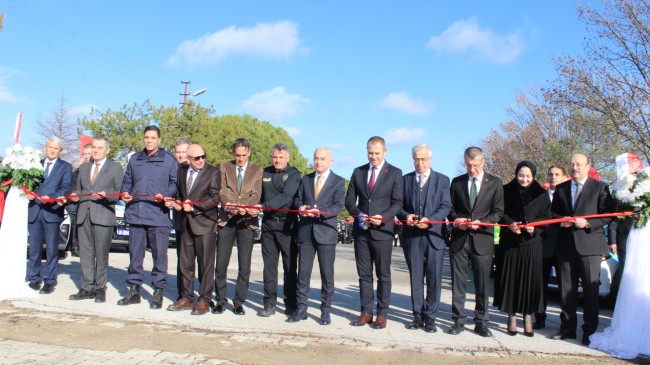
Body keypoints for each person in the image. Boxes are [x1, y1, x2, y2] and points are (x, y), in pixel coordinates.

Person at [551, 153, 612, 345]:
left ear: (588, 167)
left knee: (590, 291)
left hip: (590, 245)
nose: (574, 167)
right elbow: (553, 213)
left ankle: (589, 331)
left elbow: (608, 215)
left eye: (579, 164)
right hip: (565, 246)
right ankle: (567, 328)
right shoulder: (560, 188)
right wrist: (562, 223)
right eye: (571, 164)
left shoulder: (600, 187)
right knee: (566, 290)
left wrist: (587, 223)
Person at [345, 136, 403, 329]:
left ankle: (382, 313)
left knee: (383, 274)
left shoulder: (395, 173)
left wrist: (383, 217)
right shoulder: (358, 171)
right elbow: (350, 200)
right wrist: (359, 214)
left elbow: (397, 202)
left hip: (383, 232)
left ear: (385, 151)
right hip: (362, 231)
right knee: (364, 274)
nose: (373, 156)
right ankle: (366, 312)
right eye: (370, 153)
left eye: (377, 153)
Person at [118, 125, 178, 309]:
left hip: (157, 216)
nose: (149, 140)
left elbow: (175, 184)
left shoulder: (169, 160)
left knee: (159, 256)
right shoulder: (135, 159)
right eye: (146, 137)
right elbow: (127, 180)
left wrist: (165, 194)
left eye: (153, 137)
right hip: (136, 214)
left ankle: (158, 291)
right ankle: (134, 289)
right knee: (135, 255)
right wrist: (124, 193)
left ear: (159, 140)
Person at [447, 146, 503, 337]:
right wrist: (456, 220)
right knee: (458, 283)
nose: (472, 169)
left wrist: (483, 222)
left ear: (483, 162)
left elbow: (498, 211)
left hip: (482, 240)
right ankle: (458, 320)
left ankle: (481, 321)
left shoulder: (495, 183)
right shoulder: (457, 182)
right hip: (460, 240)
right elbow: (449, 208)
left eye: (475, 165)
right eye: (468, 165)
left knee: (482, 284)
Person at [397, 144, 452, 333]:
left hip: (434, 236)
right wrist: (406, 216)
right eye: (416, 159)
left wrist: (431, 220)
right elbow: (398, 206)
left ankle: (431, 317)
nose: (419, 163)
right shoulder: (405, 180)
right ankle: (417, 316)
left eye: (423, 159)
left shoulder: (443, 180)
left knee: (434, 279)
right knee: (416, 278)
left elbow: (446, 206)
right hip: (412, 237)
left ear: (430, 159)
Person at [289, 147, 345, 325]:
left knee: (327, 275)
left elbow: (338, 206)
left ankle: (325, 311)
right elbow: (297, 199)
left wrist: (319, 212)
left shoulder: (338, 181)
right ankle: (301, 309)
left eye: (322, 159)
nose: (318, 162)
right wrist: (301, 208)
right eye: (316, 158)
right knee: (303, 274)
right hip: (306, 232)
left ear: (330, 161)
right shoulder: (306, 179)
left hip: (326, 233)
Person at [65, 137, 123, 303]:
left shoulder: (115, 168)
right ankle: (86, 287)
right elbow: (78, 189)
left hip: (103, 215)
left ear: (107, 150)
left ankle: (100, 288)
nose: (96, 150)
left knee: (101, 254)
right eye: (94, 147)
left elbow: (119, 191)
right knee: (85, 253)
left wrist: (107, 196)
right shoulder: (84, 168)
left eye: (99, 148)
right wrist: (74, 197)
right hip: (84, 215)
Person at [496, 161, 550, 336]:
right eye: (521, 175)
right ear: (516, 174)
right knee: (511, 279)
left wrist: (535, 228)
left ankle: (528, 316)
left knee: (529, 281)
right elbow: (499, 212)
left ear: (533, 176)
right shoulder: (506, 190)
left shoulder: (541, 194)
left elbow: (546, 218)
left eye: (528, 176)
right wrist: (509, 224)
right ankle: (511, 316)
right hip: (510, 243)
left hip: (531, 245)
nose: (524, 179)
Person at [166, 144, 220, 315]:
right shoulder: (181, 170)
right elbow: (179, 194)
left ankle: (204, 300)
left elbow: (215, 198)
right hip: (184, 224)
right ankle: (187, 297)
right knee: (185, 264)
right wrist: (175, 202)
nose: (201, 160)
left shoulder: (213, 172)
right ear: (188, 158)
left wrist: (195, 208)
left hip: (204, 224)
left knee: (205, 265)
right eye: (196, 158)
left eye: (203, 156)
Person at [214, 138, 263, 315]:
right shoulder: (225, 167)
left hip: (246, 222)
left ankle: (239, 301)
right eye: (237, 155)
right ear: (233, 154)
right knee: (221, 264)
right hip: (227, 219)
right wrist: (229, 205)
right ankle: (220, 300)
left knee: (244, 265)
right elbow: (222, 190)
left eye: (244, 155)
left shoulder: (257, 170)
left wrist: (245, 207)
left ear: (249, 153)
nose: (240, 158)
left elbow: (257, 193)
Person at [256, 144, 301, 317]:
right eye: (275, 157)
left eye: (281, 157)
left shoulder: (294, 174)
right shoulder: (265, 172)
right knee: (269, 267)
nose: (277, 160)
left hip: (287, 227)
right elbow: (257, 193)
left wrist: (264, 206)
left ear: (288, 158)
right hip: (268, 225)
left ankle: (290, 303)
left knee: (289, 267)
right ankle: (269, 303)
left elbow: (286, 197)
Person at [26, 137, 73, 294]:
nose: (52, 150)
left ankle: (49, 281)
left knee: (52, 249)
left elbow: (65, 187)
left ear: (60, 150)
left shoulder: (65, 167)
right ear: (45, 147)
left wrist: (52, 196)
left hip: (52, 212)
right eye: (50, 147)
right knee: (34, 249)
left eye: (56, 148)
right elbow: (28, 185)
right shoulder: (35, 165)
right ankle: (34, 278)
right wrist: (28, 194)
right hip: (34, 211)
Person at [534, 164, 566, 329]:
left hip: (564, 246)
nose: (553, 177)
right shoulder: (541, 196)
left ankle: (565, 322)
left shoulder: (568, 195)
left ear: (563, 177)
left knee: (565, 287)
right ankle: (539, 318)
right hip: (544, 245)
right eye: (551, 174)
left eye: (557, 174)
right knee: (540, 285)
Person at [172, 138, 191, 301]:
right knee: (182, 260)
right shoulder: (174, 170)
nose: (180, 155)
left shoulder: (199, 169)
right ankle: (183, 294)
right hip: (180, 220)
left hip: (200, 222)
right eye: (177, 152)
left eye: (183, 152)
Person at [67, 143, 93, 257]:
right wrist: (73, 195)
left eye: (89, 153)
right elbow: (71, 187)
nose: (86, 156)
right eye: (84, 154)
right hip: (76, 203)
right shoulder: (77, 172)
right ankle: (74, 245)